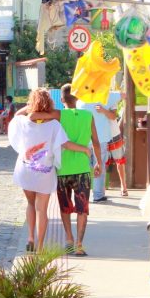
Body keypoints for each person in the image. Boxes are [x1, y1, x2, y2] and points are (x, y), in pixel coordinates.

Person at [8, 88, 92, 253]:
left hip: (25, 169)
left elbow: (17, 115)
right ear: (50, 103)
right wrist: (84, 150)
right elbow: (66, 144)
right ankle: (40, 247)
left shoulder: (23, 121)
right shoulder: (54, 124)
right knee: (42, 210)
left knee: (30, 204)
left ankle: (30, 237)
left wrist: (30, 107)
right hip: (45, 173)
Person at [53, 85, 102, 256]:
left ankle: (69, 239)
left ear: (61, 100)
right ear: (78, 98)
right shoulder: (88, 116)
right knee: (82, 208)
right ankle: (80, 245)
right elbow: (95, 142)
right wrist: (99, 163)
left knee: (65, 206)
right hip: (82, 169)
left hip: (62, 169)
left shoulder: (58, 115)